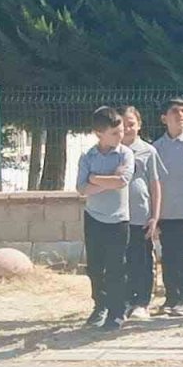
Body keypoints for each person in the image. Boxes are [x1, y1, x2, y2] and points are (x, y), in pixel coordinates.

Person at [76, 107, 135, 331]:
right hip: (94, 218)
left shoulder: (125, 154)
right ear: (99, 134)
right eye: (114, 133)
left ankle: (117, 311)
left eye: (121, 131)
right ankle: (100, 305)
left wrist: (95, 178)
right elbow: (82, 189)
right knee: (95, 267)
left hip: (118, 220)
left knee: (116, 267)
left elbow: (122, 181)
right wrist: (105, 181)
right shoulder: (88, 156)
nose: (120, 136)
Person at [117, 105, 166, 322]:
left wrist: (155, 216)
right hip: (117, 217)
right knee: (121, 260)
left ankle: (142, 302)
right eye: (123, 124)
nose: (127, 128)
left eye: (131, 124)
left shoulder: (148, 151)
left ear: (139, 125)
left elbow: (155, 185)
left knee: (143, 260)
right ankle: (124, 300)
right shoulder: (111, 151)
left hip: (141, 215)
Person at [153, 98, 183, 317]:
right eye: (174, 111)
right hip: (165, 212)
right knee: (168, 256)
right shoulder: (156, 148)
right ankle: (171, 297)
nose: (180, 115)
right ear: (164, 118)